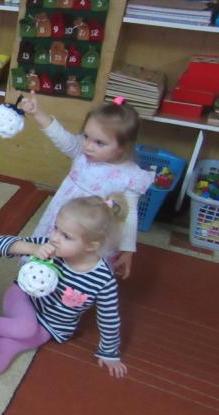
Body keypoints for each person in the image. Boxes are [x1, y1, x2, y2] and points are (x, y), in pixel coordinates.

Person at [0, 194, 129, 398]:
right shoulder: (47, 246)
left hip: (50, 325)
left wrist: (109, 352)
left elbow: (109, 317)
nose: (55, 237)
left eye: (66, 236)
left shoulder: (103, 279)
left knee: (9, 344)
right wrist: (32, 248)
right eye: (56, 228)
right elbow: (0, 243)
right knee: (24, 327)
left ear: (91, 246)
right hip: (22, 298)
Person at [20, 91, 153, 279]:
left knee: (75, 271)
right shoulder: (81, 154)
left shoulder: (131, 177)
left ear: (122, 147)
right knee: (45, 254)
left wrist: (128, 250)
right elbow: (61, 136)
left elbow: (129, 215)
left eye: (99, 142)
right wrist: (37, 112)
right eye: (86, 136)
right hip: (61, 222)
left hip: (89, 234)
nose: (88, 146)